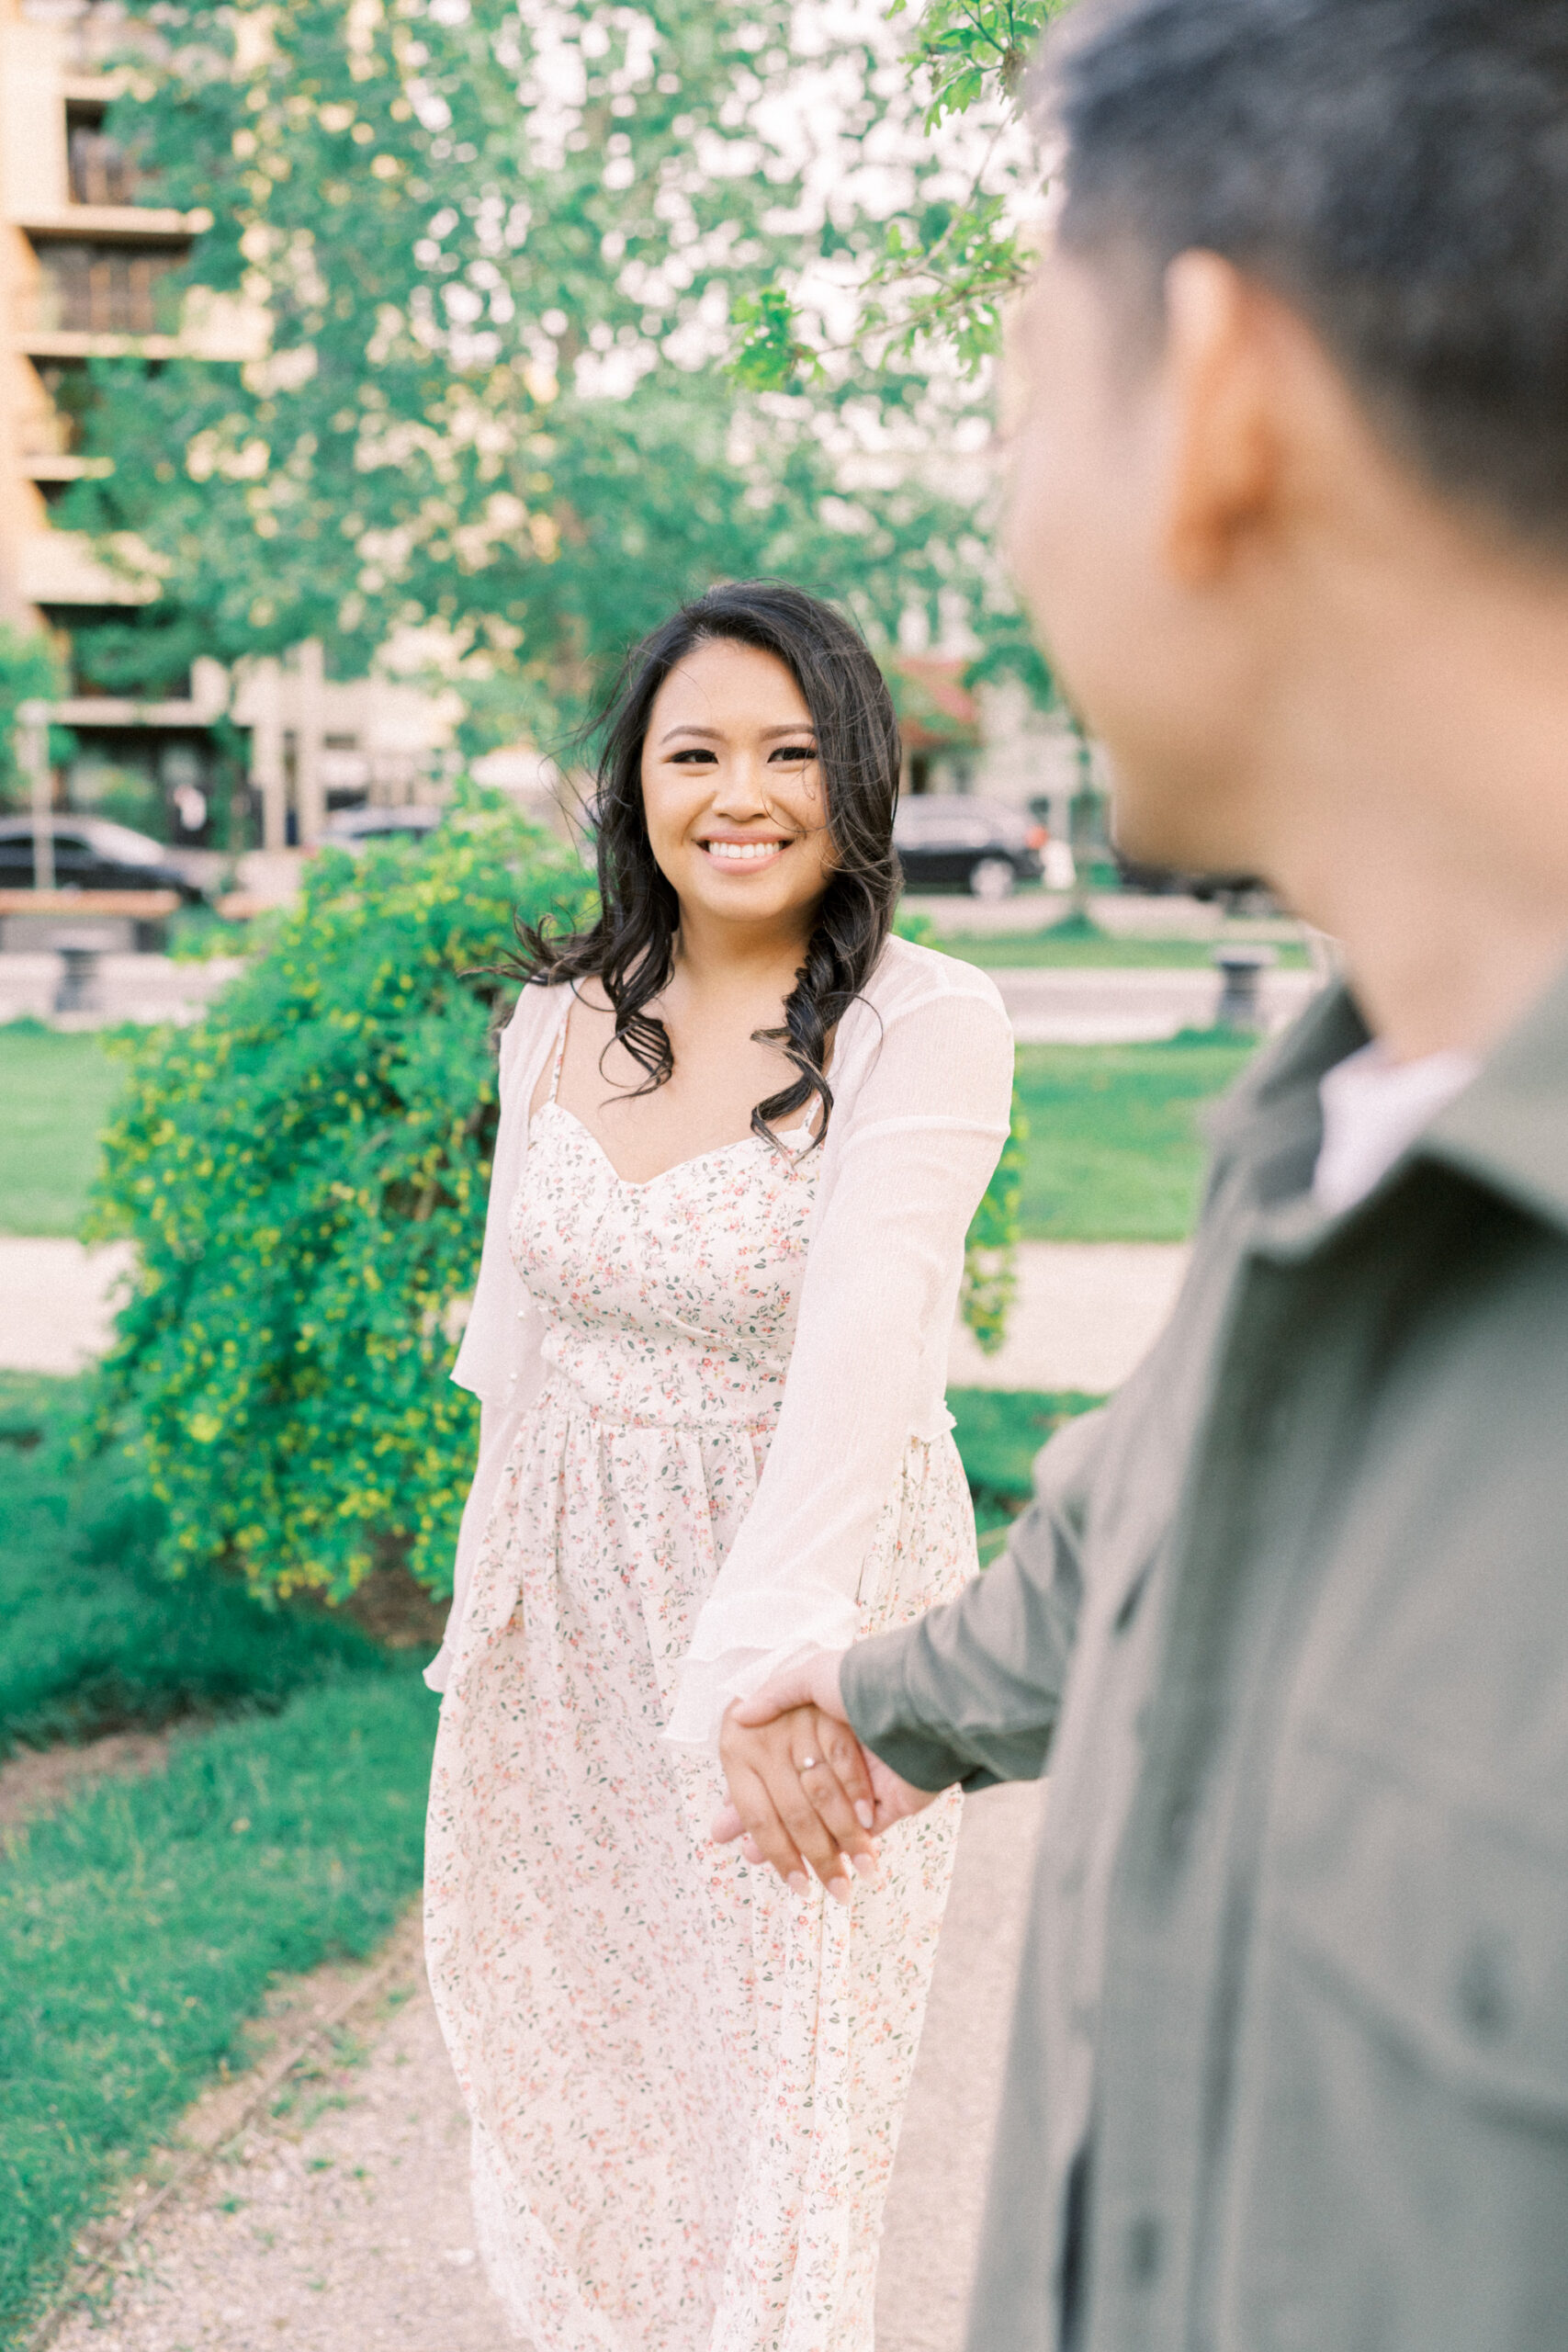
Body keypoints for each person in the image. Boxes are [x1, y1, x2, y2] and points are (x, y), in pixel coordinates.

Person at [716, 3, 1568, 2347]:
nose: (1003, 526)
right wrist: (875, 1695)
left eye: (1010, 415)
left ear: (1213, 402)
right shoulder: (1355, 1119)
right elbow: (1136, 1521)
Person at [422, 579, 1013, 2350]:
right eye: (695, 752)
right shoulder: (559, 1018)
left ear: (861, 782)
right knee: (582, 2060)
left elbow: (866, 1356)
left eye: (790, 751)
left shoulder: (927, 1019)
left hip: (801, 1601)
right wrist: (487, 1627)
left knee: (779, 2108)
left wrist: (776, 1669)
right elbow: (511, 1362)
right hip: (567, 1621)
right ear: (637, 783)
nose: (739, 793)